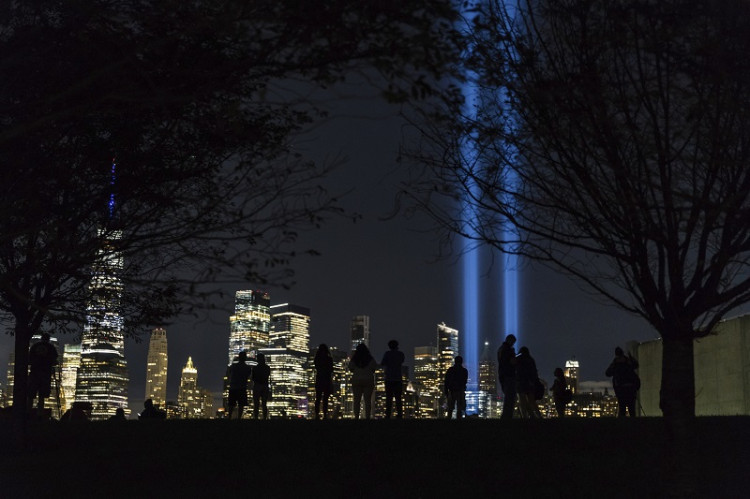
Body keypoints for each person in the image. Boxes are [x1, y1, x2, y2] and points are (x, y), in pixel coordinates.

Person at [27, 333, 59, 416]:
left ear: (41, 338)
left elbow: (29, 359)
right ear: (48, 339)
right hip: (45, 374)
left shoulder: (34, 346)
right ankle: (39, 414)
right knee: (42, 395)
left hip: (34, 373)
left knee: (31, 394)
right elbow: (55, 360)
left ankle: (28, 413)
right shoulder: (51, 348)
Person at [605, 346, 640, 417]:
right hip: (631, 389)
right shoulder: (628, 362)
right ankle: (634, 425)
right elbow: (636, 365)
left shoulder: (615, 364)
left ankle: (621, 426)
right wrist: (630, 357)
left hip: (620, 389)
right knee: (632, 409)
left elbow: (607, 373)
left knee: (622, 409)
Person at [348, 343, 378, 420]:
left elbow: (350, 368)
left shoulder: (355, 358)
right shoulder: (370, 358)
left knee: (357, 400)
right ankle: (367, 417)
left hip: (357, 379)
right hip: (368, 379)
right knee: (367, 400)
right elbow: (374, 368)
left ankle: (356, 417)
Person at [380, 339, 406, 418]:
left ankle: (388, 415)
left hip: (389, 378)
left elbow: (383, 363)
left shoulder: (387, 354)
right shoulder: (401, 354)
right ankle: (400, 414)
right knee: (398, 398)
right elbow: (402, 361)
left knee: (389, 398)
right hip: (398, 378)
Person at [516, 346, 542, 419]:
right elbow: (534, 372)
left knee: (522, 401)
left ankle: (524, 416)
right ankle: (538, 415)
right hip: (530, 383)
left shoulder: (519, 359)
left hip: (521, 382)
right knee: (532, 401)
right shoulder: (531, 360)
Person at [497, 334, 518, 419]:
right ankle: (507, 416)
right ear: (510, 341)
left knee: (508, 395)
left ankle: (506, 416)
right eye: (513, 342)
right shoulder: (508, 350)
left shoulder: (501, 349)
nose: (513, 344)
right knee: (510, 396)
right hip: (509, 375)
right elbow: (511, 362)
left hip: (503, 374)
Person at [226, 351, 252, 419]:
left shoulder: (233, 366)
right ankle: (239, 418)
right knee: (241, 404)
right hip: (242, 387)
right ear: (245, 358)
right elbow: (248, 376)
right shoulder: (247, 368)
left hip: (233, 387)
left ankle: (229, 417)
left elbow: (229, 373)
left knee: (231, 404)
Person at [313, 344, 334, 420]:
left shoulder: (317, 359)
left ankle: (317, 415)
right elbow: (331, 370)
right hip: (327, 380)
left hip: (319, 380)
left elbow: (316, 367)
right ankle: (325, 415)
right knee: (325, 399)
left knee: (318, 398)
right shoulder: (329, 359)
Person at [252, 352, 271, 420]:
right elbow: (267, 376)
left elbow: (253, 378)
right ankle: (264, 418)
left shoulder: (255, 368)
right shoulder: (267, 368)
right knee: (264, 404)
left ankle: (256, 418)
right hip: (265, 386)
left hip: (257, 386)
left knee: (256, 404)